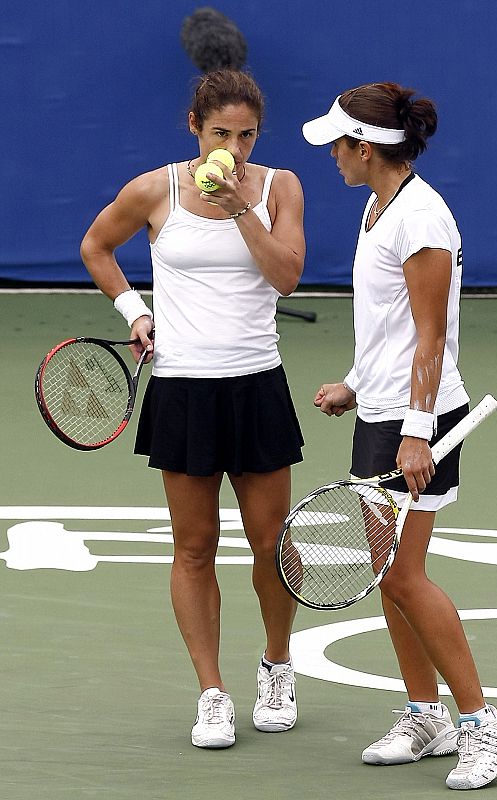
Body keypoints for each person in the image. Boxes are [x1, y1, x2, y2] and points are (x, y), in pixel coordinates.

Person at [302, 82, 497, 790]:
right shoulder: (378, 206)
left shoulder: (421, 219)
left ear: (367, 148)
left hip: (419, 425)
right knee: (388, 579)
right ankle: (423, 712)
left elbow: (431, 338)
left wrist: (417, 433)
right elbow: (389, 330)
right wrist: (357, 385)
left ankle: (482, 723)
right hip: (382, 415)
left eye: (339, 144)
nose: (332, 155)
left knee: (404, 575)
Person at [80, 68, 305, 749]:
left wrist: (242, 208)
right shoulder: (154, 190)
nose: (232, 150)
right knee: (194, 546)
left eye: (245, 136)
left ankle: (277, 664)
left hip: (257, 385)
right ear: (193, 128)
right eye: (219, 134)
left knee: (271, 544)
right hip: (183, 388)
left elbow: (288, 277)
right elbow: (97, 247)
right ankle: (212, 692)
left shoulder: (279, 187)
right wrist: (135, 311)